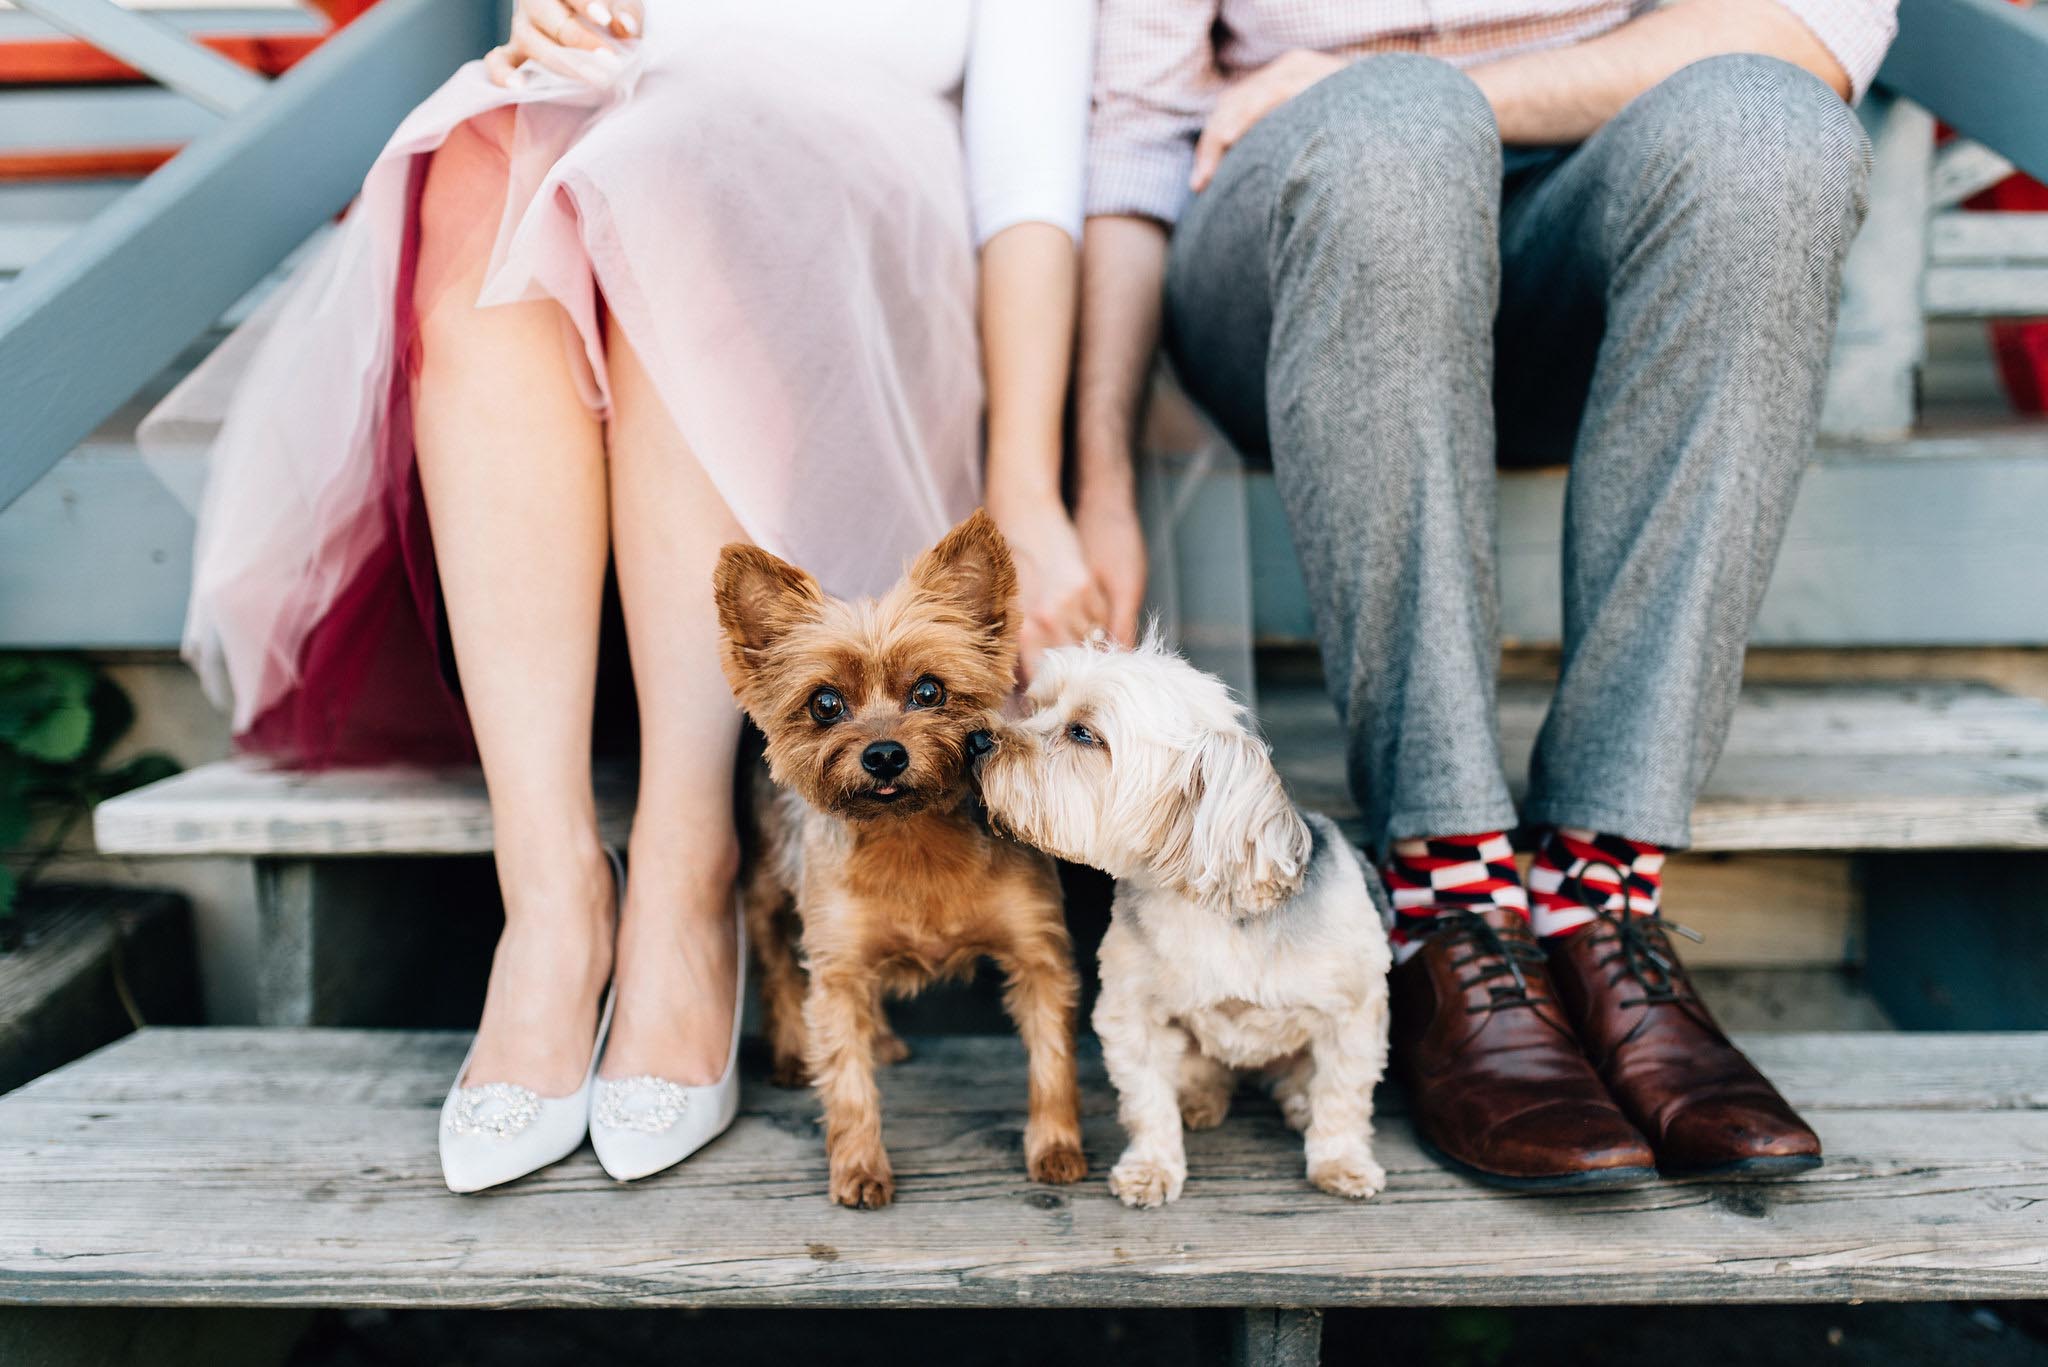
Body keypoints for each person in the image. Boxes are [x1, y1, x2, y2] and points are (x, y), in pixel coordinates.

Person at [142, 0, 1104, 1192]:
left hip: (866, 257)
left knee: (676, 167)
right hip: (614, 164)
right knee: (491, 149)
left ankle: (685, 876)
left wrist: (1023, 474)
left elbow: (1027, 185)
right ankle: (547, 895)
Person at [1078, 0, 1897, 1187]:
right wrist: (1097, 467)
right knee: (1390, 129)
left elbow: (1804, 31)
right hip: (1293, 249)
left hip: (1587, 225)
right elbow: (1128, 147)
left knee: (1769, 129)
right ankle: (1446, 895)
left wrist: (1486, 96)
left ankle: (1595, 896)